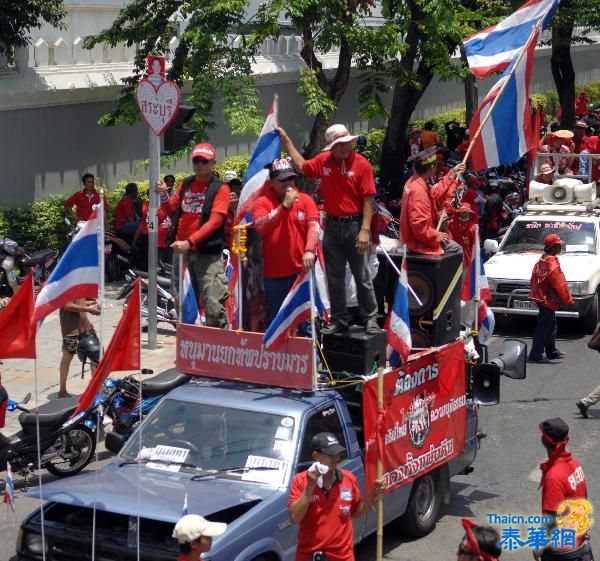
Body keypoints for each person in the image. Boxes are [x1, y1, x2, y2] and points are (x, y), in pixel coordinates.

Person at [277, 123, 380, 335]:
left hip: (355, 224)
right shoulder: (324, 161)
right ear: (331, 147)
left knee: (362, 276)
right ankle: (339, 319)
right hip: (332, 226)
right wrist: (285, 139)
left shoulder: (362, 164)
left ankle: (370, 318)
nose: (344, 148)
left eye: (347, 143)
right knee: (334, 277)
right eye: (339, 145)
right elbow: (301, 166)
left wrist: (364, 230)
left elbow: (369, 199)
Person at [157, 143, 230, 328]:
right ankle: (192, 347)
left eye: (204, 161)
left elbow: (215, 221)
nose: (199, 164)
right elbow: (172, 209)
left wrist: (189, 242)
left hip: (207, 254)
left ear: (213, 163)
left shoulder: (220, 188)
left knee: (213, 306)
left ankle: (219, 348)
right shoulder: (186, 183)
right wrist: (164, 195)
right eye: (196, 160)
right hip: (182, 253)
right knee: (184, 304)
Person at [288, 432, 385, 561]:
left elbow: (356, 512)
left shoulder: (348, 479)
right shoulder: (300, 481)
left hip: (342, 556)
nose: (336, 458)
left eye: (338, 453)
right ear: (316, 456)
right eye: (330, 454)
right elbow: (295, 517)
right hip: (309, 556)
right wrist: (310, 487)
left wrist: (373, 494)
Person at [253, 158, 320, 326]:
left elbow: (314, 225)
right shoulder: (262, 202)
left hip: (301, 273)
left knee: (305, 322)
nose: (287, 182)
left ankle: (310, 353)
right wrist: (284, 206)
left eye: (290, 178)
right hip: (274, 276)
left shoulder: (305, 200)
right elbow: (260, 227)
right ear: (272, 182)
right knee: (277, 322)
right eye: (282, 179)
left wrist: (309, 250)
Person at [399, 146, 466, 255]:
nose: (436, 168)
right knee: (457, 249)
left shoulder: (415, 181)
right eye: (436, 165)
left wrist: (452, 173)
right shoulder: (418, 191)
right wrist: (436, 235)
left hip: (417, 238)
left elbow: (434, 193)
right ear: (431, 168)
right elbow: (419, 228)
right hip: (420, 244)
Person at [538, 418, 588, 551]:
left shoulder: (554, 476)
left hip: (562, 550)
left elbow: (551, 519)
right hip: (579, 540)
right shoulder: (575, 465)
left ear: (544, 441)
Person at [528, 234, 574, 364]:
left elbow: (533, 279)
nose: (560, 247)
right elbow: (559, 283)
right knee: (544, 327)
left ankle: (551, 351)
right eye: (559, 245)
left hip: (542, 297)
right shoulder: (551, 262)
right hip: (547, 299)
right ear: (553, 247)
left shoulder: (542, 259)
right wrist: (568, 300)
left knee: (551, 325)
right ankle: (535, 355)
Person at [59, 299, 100, 398]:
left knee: (96, 355)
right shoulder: (65, 285)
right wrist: (88, 309)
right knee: (68, 356)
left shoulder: (80, 284)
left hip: (86, 326)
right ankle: (62, 390)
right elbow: (67, 305)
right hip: (71, 328)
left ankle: (95, 388)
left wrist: (92, 305)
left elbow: (81, 301)